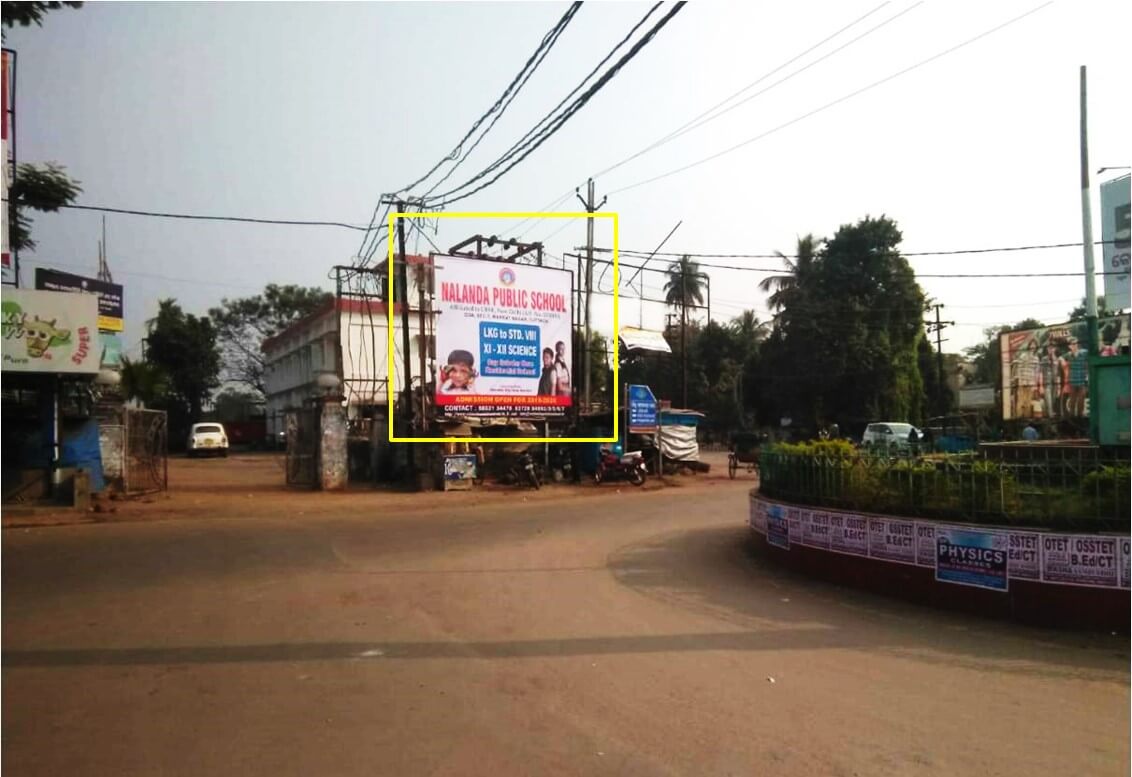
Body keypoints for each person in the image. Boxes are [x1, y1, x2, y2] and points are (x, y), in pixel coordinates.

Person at [1065, 336, 1089, 417]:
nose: (1074, 345)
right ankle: (1072, 418)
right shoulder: (1068, 355)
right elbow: (1060, 358)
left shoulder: (1084, 352)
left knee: (1081, 401)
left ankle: (1080, 416)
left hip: (1082, 381)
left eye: (1075, 343)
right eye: (1072, 344)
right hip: (1072, 381)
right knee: (1072, 401)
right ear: (1069, 346)